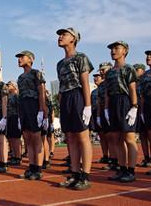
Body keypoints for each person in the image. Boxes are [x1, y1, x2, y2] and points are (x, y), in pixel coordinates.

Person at [55, 27, 94, 190]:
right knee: (70, 137)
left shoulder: (81, 57)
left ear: (73, 38)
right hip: (65, 98)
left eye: (64, 35)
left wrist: (87, 105)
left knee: (82, 137)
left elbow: (85, 81)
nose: (60, 37)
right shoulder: (60, 63)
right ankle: (75, 173)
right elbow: (61, 86)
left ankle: (85, 176)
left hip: (78, 96)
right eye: (59, 35)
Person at [104, 41, 139, 183]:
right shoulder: (110, 72)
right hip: (113, 103)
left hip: (125, 102)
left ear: (124, 51)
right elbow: (107, 91)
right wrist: (106, 109)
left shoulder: (129, 69)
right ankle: (122, 168)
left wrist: (134, 107)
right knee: (116, 138)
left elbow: (132, 89)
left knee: (129, 138)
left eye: (116, 48)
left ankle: (131, 170)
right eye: (112, 49)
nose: (113, 51)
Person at [15, 50, 48, 180]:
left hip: (34, 105)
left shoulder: (36, 73)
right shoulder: (20, 77)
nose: (19, 59)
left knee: (36, 137)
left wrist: (42, 109)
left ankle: (38, 169)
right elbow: (19, 96)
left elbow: (41, 92)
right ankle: (31, 167)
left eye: (22, 57)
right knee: (27, 137)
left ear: (30, 59)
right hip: (23, 106)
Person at [134, 63, 151, 169]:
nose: (135, 71)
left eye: (137, 70)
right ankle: (146, 157)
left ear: (142, 70)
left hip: (147, 109)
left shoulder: (147, 79)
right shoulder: (134, 82)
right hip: (137, 110)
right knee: (142, 135)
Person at [5, 81, 22, 166]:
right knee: (11, 138)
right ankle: (14, 156)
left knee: (16, 138)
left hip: (15, 117)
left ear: (14, 86)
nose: (7, 87)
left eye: (9, 85)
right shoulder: (8, 96)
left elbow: (19, 107)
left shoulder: (16, 96)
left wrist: (19, 118)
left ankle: (18, 157)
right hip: (9, 117)